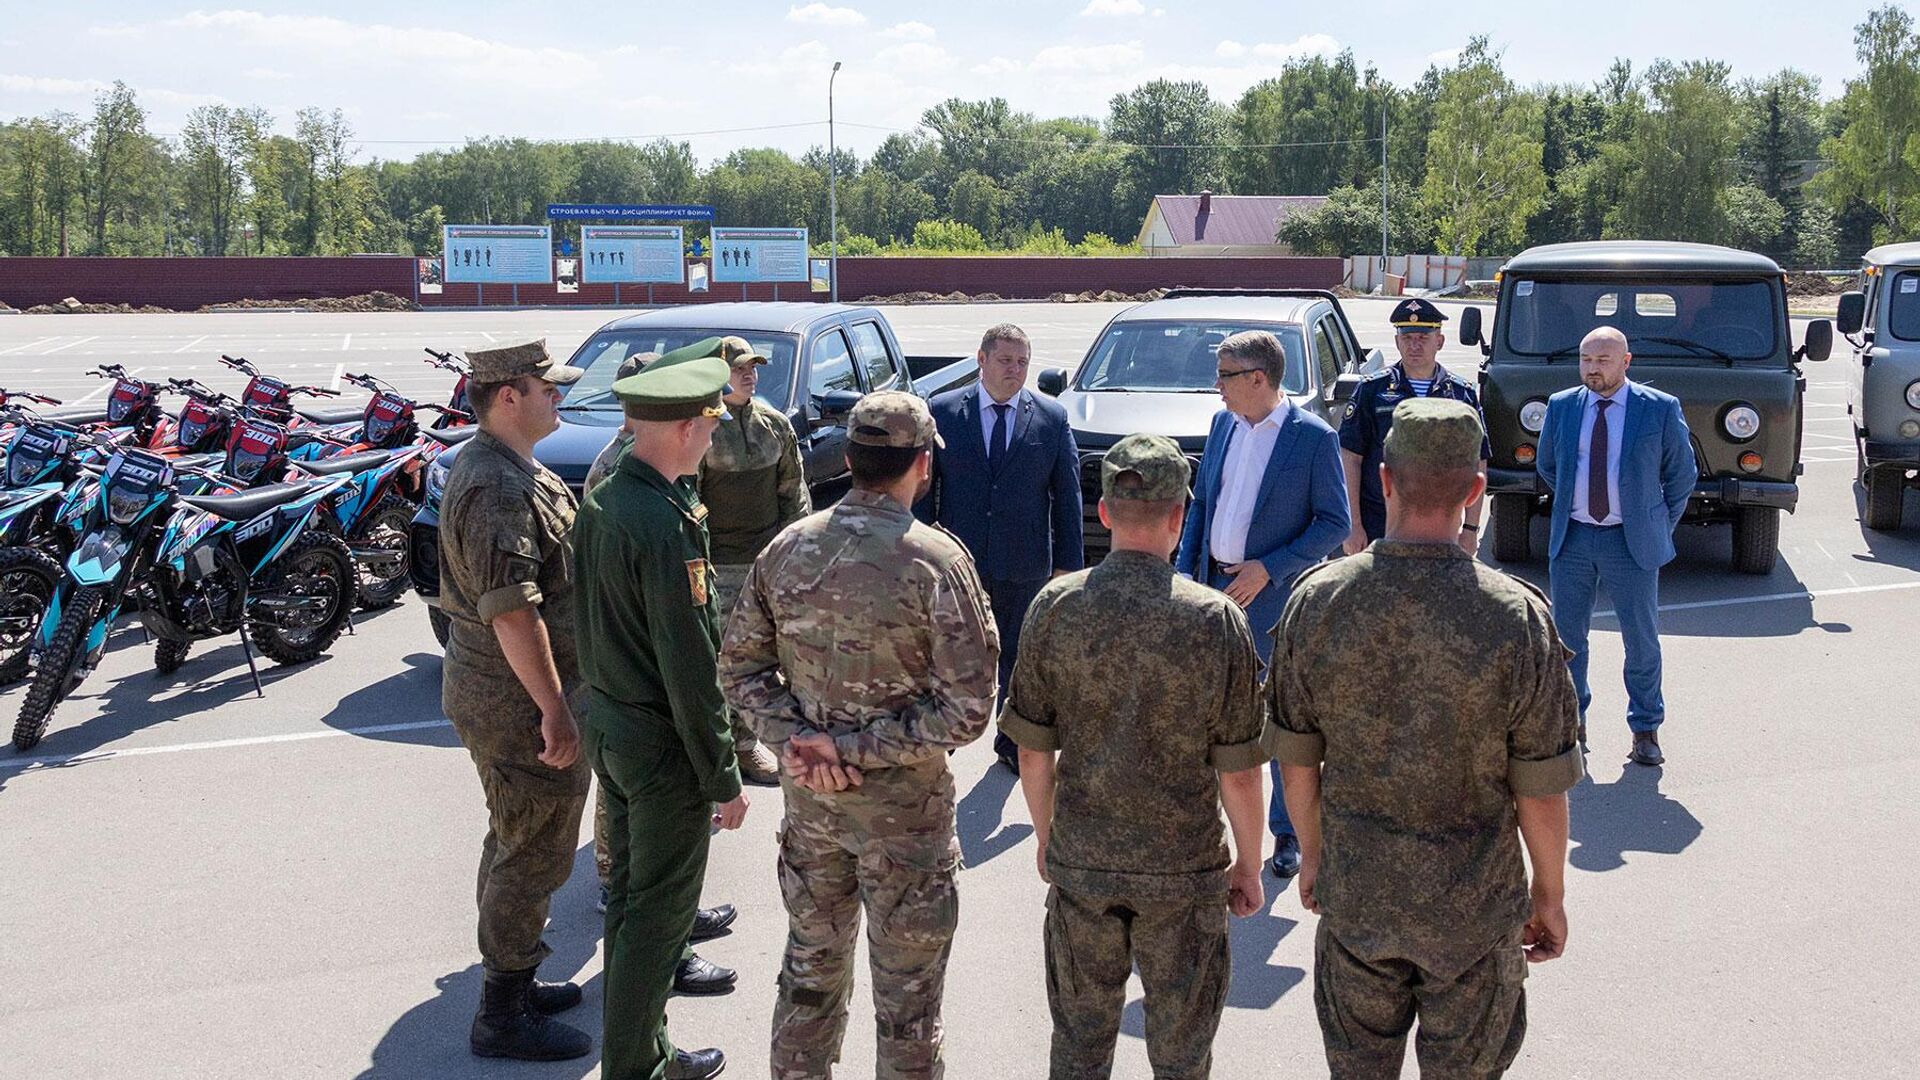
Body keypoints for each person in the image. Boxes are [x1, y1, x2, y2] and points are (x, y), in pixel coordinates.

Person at [1271, 398, 1584, 1079]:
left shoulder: (1317, 602)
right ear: (1476, 492)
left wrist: (1316, 856)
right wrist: (1549, 896)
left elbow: (1297, 762)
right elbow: (1540, 787)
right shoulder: (1517, 617)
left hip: (1359, 903)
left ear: (1383, 481)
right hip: (1474, 917)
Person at [722, 390, 1000, 1080]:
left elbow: (737, 670)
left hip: (814, 817)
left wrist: (799, 743)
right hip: (905, 830)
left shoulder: (788, 549)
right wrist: (848, 749)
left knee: (808, 984)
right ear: (924, 465)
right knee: (908, 1007)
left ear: (848, 460)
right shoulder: (937, 562)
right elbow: (968, 710)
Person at [1001, 433, 1269, 1079]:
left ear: (1103, 513)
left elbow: (1032, 755)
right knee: (1182, 1054)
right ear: (1180, 516)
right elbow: (1239, 769)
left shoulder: (1055, 607)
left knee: (1079, 1046)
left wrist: (1047, 838)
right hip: (1183, 870)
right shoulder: (1215, 620)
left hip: (1085, 862)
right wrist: (1250, 862)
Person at [574, 354, 751, 1080]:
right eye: (709, 422)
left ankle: (647, 1050)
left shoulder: (610, 496)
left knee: (628, 908)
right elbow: (690, 665)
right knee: (659, 917)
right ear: (684, 428)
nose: (714, 434)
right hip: (661, 747)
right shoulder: (663, 521)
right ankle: (634, 1068)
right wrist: (724, 775)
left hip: (614, 728)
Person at [435, 339, 592, 1062]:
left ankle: (518, 974)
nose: (557, 396)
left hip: (510, 691)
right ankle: (503, 1013)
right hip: (515, 700)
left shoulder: (511, 467)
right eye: (547, 388)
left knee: (517, 835)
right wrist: (555, 710)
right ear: (508, 396)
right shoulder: (496, 485)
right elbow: (512, 612)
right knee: (531, 847)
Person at [586, 335, 807, 786]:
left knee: (757, 657)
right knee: (714, 659)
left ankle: (743, 744)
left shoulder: (774, 425)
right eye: (739, 367)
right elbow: (691, 505)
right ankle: (724, 752)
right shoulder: (695, 435)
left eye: (754, 366)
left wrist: (788, 557)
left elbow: (793, 493)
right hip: (714, 566)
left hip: (763, 562)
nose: (750, 374)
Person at [1174, 328, 1348, 881]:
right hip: (1209, 594)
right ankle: (1213, 828)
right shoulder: (1224, 423)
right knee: (1211, 716)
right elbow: (1203, 502)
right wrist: (1183, 574)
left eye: (1225, 375)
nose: (1216, 386)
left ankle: (1287, 834)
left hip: (1269, 602)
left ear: (1257, 378)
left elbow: (1335, 524)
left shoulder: (1312, 438)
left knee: (1277, 724)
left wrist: (1268, 567)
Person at [916, 323, 1083, 775]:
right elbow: (924, 489)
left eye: (1023, 362)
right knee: (951, 654)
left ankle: (1011, 743)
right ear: (982, 359)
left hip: (1024, 561)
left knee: (1019, 657)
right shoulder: (944, 411)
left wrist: (1067, 566)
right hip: (958, 563)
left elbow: (1067, 496)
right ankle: (943, 741)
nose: (1015, 370)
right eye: (1006, 360)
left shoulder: (1051, 417)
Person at [1537, 325, 1695, 766]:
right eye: (1587, 360)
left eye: (1603, 361)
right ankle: (1573, 724)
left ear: (1626, 362)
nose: (1593, 369)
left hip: (1631, 542)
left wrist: (1655, 522)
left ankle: (1646, 728)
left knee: (1641, 641)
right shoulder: (1563, 406)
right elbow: (1550, 465)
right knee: (1568, 640)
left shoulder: (1659, 409)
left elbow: (1682, 475)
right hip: (1574, 538)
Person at [1339, 296, 1489, 555]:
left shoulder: (1460, 394)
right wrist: (1354, 525)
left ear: (1439, 341)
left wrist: (1471, 529)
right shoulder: (1372, 390)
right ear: (1397, 341)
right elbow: (1350, 458)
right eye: (1407, 338)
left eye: (1423, 337)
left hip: (1442, 526)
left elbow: (1478, 462)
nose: (1414, 346)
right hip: (1380, 521)